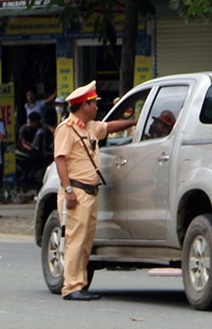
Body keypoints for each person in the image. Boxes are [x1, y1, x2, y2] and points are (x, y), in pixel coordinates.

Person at [54, 80, 136, 301]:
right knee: (75, 240)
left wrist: (135, 121)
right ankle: (71, 286)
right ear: (83, 105)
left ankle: (80, 284)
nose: (97, 107)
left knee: (86, 241)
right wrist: (68, 189)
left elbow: (109, 127)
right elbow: (60, 160)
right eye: (93, 103)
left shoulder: (90, 127)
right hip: (76, 192)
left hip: (90, 192)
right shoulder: (66, 129)